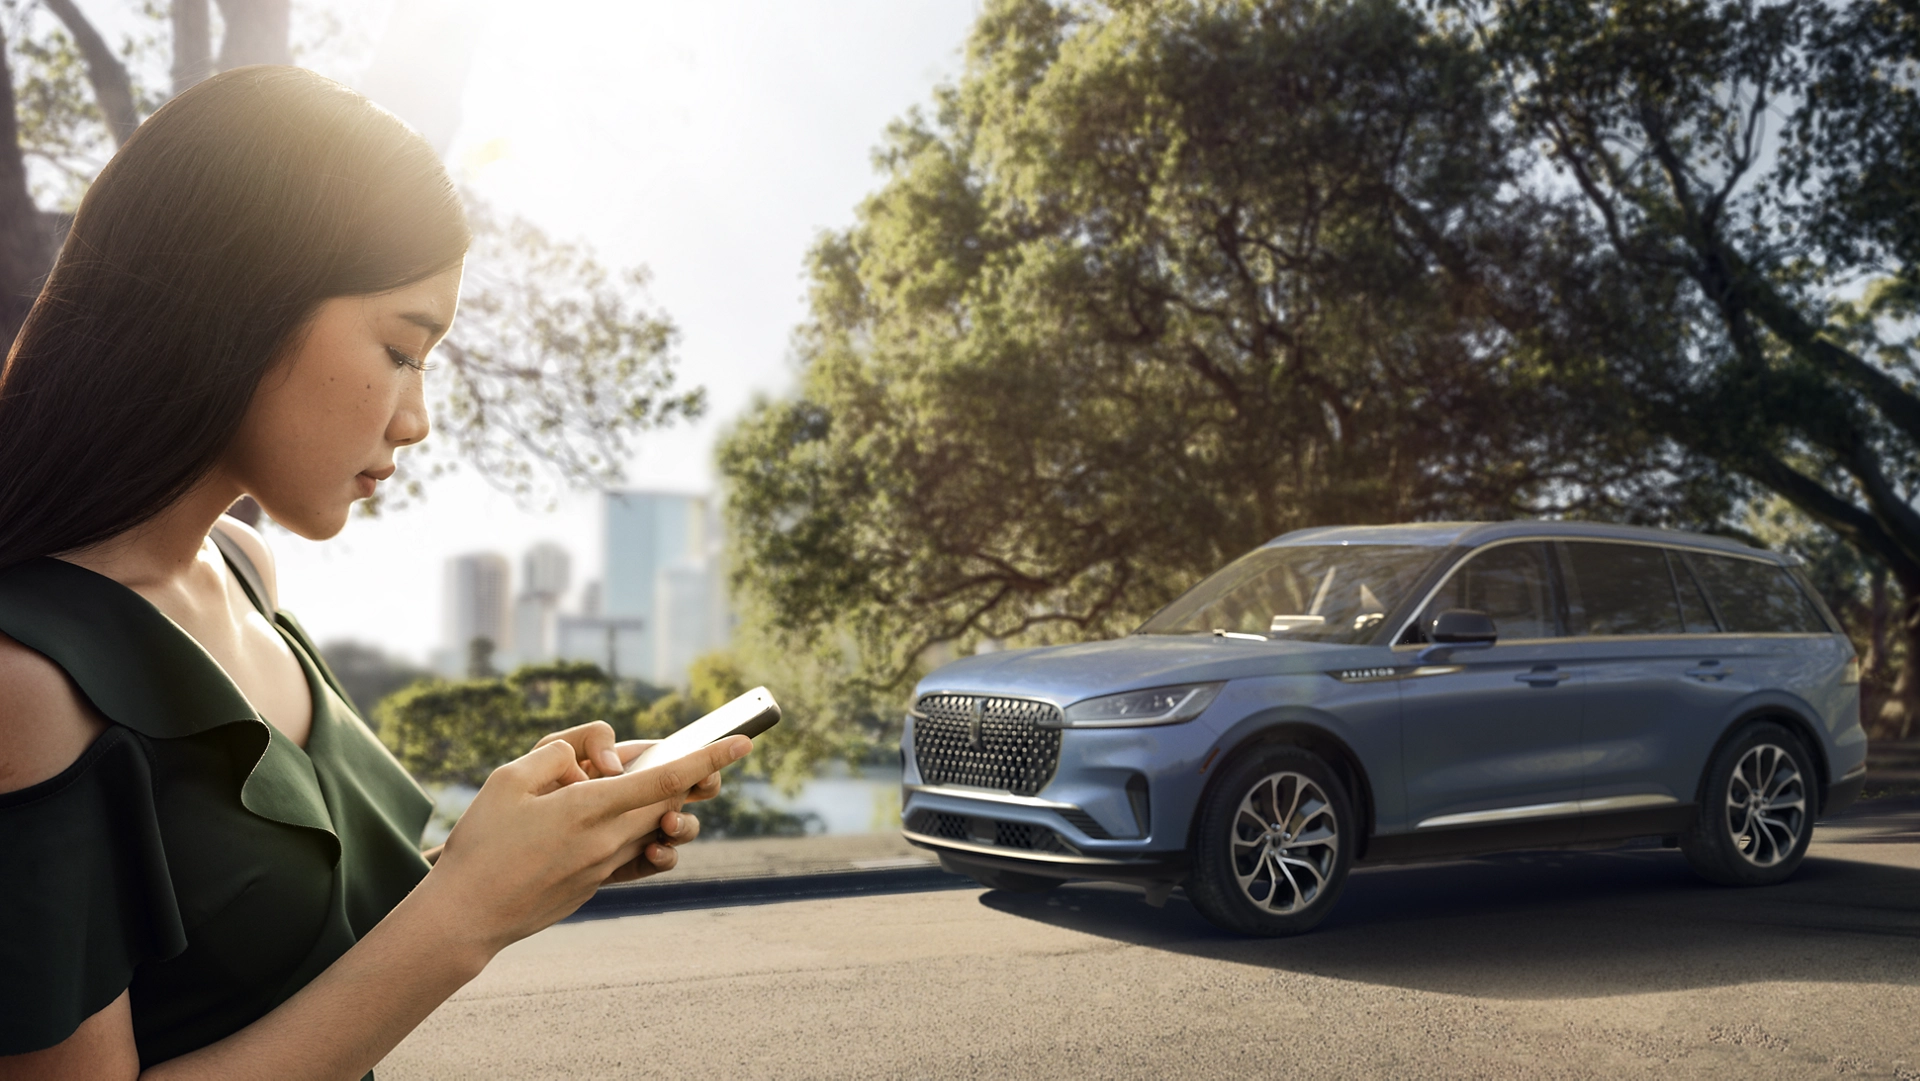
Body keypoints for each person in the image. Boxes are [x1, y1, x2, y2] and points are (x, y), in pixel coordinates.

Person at [0, 66, 748, 1079]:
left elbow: (279, 955)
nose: (418, 418)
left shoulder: (243, 569)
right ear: (238, 307)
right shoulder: (29, 679)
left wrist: (527, 859)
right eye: (402, 349)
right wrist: (467, 913)